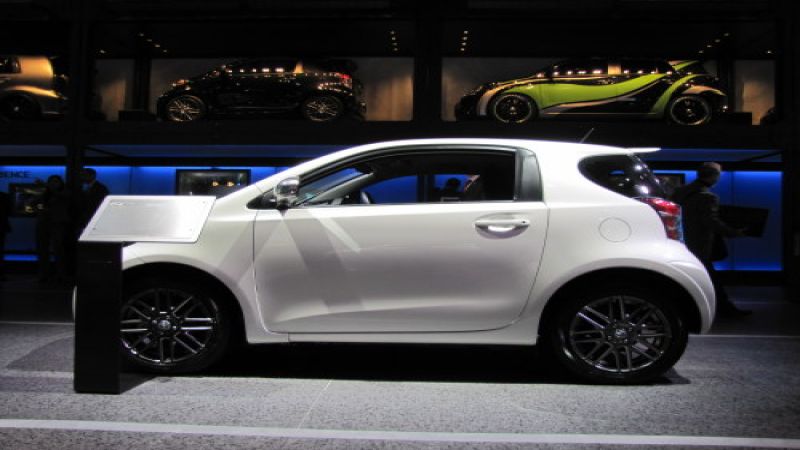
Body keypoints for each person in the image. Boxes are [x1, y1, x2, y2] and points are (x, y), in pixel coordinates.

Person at [671, 162, 750, 318]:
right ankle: (724, 310)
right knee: (711, 279)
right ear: (714, 176)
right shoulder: (708, 197)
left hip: (679, 242)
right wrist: (734, 232)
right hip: (699, 245)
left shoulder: (679, 192)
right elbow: (711, 221)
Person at [33, 175, 72, 285]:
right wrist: (39, 209)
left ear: (60, 183)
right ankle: (44, 274)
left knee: (58, 250)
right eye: (51, 182)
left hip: (57, 224)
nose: (53, 184)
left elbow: (62, 196)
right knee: (42, 249)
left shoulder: (65, 192)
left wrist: (46, 185)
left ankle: (61, 275)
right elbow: (34, 203)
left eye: (55, 182)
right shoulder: (45, 194)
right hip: (43, 223)